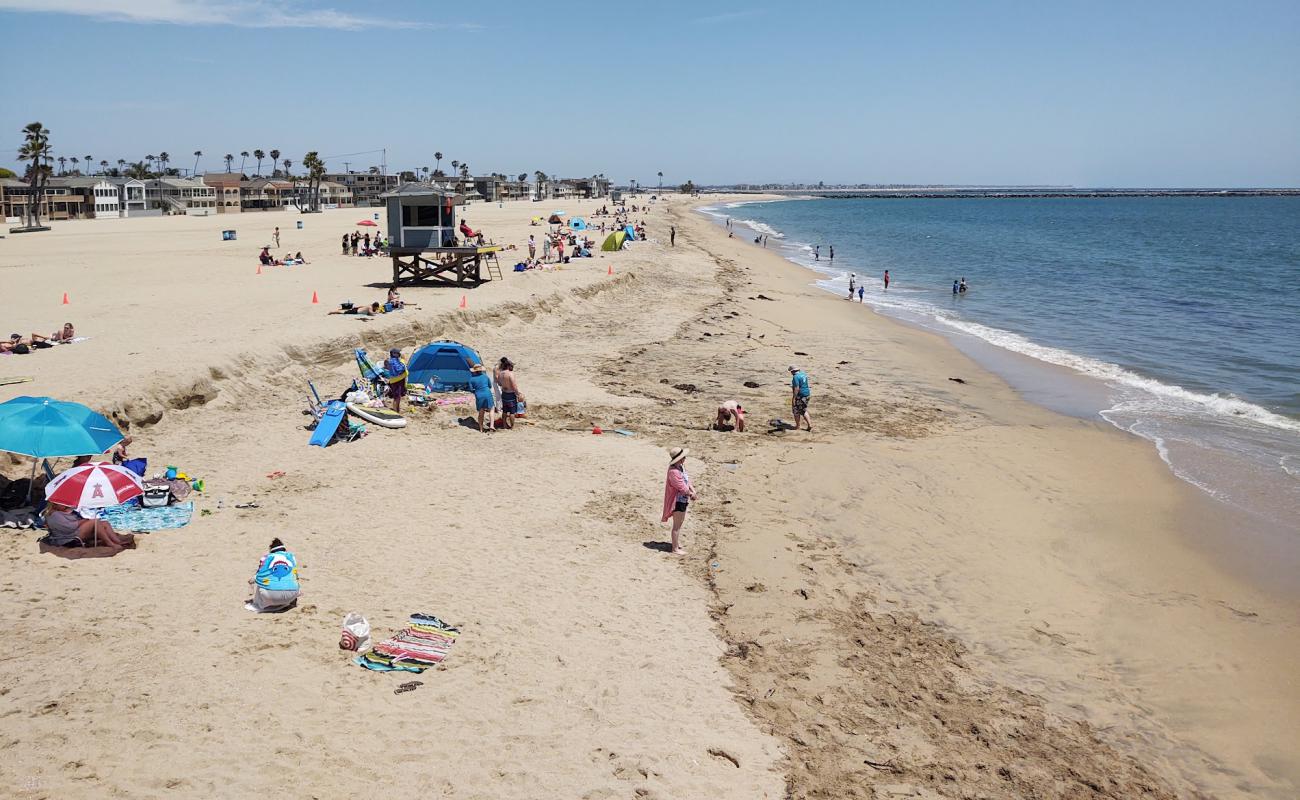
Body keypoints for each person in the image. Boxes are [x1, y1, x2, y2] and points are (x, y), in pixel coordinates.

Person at [41, 502, 134, 550]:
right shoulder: (54, 515)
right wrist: (83, 521)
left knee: (104, 523)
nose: (65, 505)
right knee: (95, 522)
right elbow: (70, 527)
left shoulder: (60, 512)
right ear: (54, 504)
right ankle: (110, 543)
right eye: (62, 504)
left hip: (72, 532)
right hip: (69, 537)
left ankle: (117, 541)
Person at [247, 538, 300, 612]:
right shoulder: (291, 557)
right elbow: (295, 575)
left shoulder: (266, 558)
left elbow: (259, 574)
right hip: (292, 594)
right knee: (293, 577)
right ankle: (291, 601)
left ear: (271, 550)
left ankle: (261, 603)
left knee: (262, 580)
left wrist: (254, 579)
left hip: (270, 596)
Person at [660, 447, 696, 556]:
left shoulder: (680, 467)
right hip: (677, 501)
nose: (685, 458)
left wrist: (693, 490)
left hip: (683, 499)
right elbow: (681, 487)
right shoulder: (673, 472)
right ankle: (675, 549)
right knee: (676, 525)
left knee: (680, 523)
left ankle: (676, 544)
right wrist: (691, 494)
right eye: (683, 457)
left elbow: (687, 481)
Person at [494, 357, 521, 429]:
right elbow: (514, 385)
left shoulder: (500, 374)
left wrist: (504, 386)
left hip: (504, 393)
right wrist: (518, 394)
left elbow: (499, 383)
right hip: (511, 394)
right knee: (512, 412)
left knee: (505, 411)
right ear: (508, 366)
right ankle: (512, 426)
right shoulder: (510, 374)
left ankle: (504, 425)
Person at [468, 363, 495, 433]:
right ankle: (491, 425)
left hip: (479, 394)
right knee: (491, 409)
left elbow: (471, 389)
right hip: (487, 393)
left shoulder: (471, 379)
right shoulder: (485, 376)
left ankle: (481, 429)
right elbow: (490, 386)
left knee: (481, 411)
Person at [383, 348, 408, 413]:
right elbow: (399, 370)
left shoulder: (393, 361)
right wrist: (403, 360)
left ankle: (397, 409)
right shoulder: (393, 361)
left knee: (397, 396)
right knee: (397, 397)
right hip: (397, 381)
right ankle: (396, 411)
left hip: (395, 381)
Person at [789, 365, 811, 432]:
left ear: (792, 371)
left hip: (800, 395)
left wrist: (794, 398)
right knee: (804, 410)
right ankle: (809, 424)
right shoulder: (804, 374)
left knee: (796, 410)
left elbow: (797, 388)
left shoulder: (795, 377)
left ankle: (798, 426)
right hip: (807, 394)